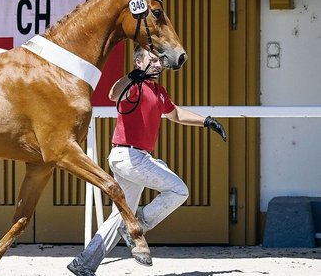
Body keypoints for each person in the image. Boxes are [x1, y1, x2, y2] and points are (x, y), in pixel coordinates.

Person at [67, 44, 227, 276]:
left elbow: (177, 114)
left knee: (119, 215)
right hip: (129, 156)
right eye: (152, 60)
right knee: (178, 190)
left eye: (159, 61)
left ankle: (84, 263)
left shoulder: (158, 91)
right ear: (138, 63)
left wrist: (206, 121)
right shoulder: (133, 86)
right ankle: (138, 225)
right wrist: (131, 77)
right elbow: (113, 94)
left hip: (134, 158)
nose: (158, 64)